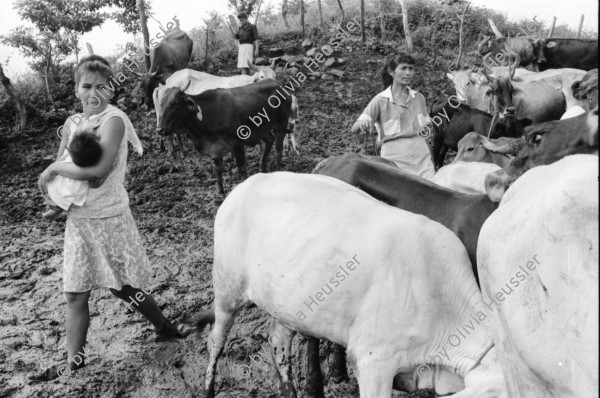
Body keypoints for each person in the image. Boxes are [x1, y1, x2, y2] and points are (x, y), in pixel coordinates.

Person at [38, 55, 185, 374]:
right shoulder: (72, 125)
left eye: (101, 87)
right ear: (76, 89)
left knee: (124, 289)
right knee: (75, 293)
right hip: (79, 221)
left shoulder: (114, 121)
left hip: (110, 218)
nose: (93, 92)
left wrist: (51, 168)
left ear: (111, 90)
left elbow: (98, 172)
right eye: (86, 85)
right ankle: (73, 364)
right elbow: (65, 176)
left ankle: (164, 326)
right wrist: (56, 201)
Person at [350, 53, 435, 180]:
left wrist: (430, 157)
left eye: (411, 68)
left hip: (421, 157)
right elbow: (355, 128)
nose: (408, 73)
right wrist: (365, 123)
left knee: (431, 193)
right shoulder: (380, 100)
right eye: (403, 68)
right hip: (394, 159)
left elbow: (425, 131)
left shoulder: (419, 98)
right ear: (391, 72)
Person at [42, 120, 104, 220]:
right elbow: (94, 183)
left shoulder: (71, 157)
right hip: (78, 187)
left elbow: (61, 159)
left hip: (64, 182)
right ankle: (57, 208)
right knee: (70, 193)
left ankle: (56, 209)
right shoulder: (89, 163)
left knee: (62, 190)